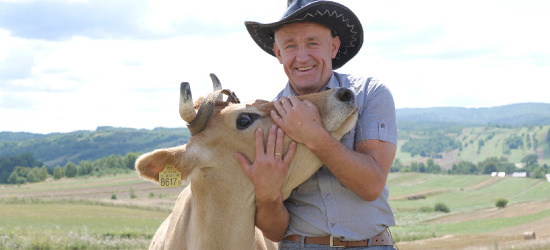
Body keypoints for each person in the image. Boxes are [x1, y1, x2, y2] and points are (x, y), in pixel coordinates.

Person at [235, 0, 398, 249]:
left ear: (333, 47)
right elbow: (275, 232)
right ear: (278, 54)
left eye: (312, 43)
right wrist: (268, 197)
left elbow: (371, 186)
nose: (302, 57)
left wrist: (314, 136)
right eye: (290, 46)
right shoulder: (266, 122)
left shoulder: (369, 94)